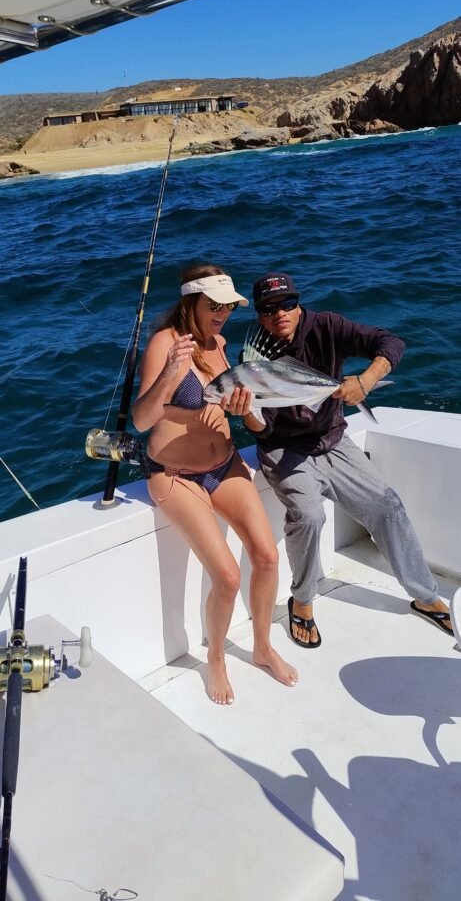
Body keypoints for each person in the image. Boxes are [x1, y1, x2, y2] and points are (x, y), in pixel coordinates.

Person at [242, 272, 453, 647]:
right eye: (269, 309)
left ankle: (424, 595)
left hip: (334, 440)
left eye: (288, 303)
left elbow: (391, 342)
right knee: (309, 516)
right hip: (284, 449)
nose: (280, 313)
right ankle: (302, 601)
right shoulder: (255, 361)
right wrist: (246, 411)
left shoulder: (327, 325)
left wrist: (365, 381)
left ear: (299, 303)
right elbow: (263, 427)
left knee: (388, 506)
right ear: (260, 315)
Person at [132, 263, 298, 704]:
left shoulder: (220, 345)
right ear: (192, 302)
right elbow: (142, 419)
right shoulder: (165, 343)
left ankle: (262, 647)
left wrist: (243, 411)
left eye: (228, 307)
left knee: (267, 555)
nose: (223, 314)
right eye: (214, 306)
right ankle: (217, 659)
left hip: (224, 465)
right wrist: (170, 373)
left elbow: (246, 411)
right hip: (174, 475)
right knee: (226, 575)